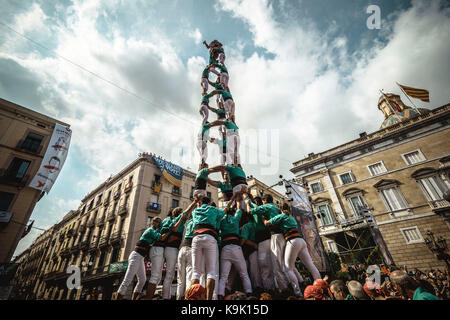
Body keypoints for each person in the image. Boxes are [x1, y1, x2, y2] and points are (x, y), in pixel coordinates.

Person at [261, 204, 321, 297]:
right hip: (301, 241)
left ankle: (298, 293)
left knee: (287, 268)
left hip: (293, 241)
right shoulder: (291, 217)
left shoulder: (282, 216)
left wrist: (263, 218)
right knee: (310, 265)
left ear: (280, 209)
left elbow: (267, 223)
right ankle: (320, 287)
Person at [116, 217, 167, 300]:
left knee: (142, 280)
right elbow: (160, 237)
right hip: (136, 256)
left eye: (159, 222)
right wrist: (169, 231)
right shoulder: (150, 230)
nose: (158, 223)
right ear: (152, 222)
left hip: (140, 258)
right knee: (127, 280)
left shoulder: (153, 231)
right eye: (157, 222)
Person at [145, 210, 189, 300]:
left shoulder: (167, 220)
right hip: (171, 249)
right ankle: (166, 297)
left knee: (160, 276)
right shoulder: (176, 220)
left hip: (163, 249)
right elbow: (185, 215)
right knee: (169, 275)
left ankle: (165, 296)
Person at [190, 196, 228, 300]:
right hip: (210, 237)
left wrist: (196, 203)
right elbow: (224, 211)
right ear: (209, 202)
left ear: (200, 203)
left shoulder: (195, 211)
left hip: (196, 237)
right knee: (211, 271)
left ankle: (193, 299)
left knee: (196, 272)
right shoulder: (213, 209)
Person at [217, 201, 252, 299]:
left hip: (225, 249)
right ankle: (249, 294)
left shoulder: (222, 221)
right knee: (244, 274)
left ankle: (220, 296)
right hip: (236, 248)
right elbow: (240, 208)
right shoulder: (236, 218)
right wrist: (237, 199)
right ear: (233, 212)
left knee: (223, 277)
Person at [176, 214, 194, 300]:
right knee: (189, 277)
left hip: (182, 249)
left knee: (180, 279)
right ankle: (188, 298)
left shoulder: (187, 223)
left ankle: (179, 298)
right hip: (191, 249)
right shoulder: (196, 222)